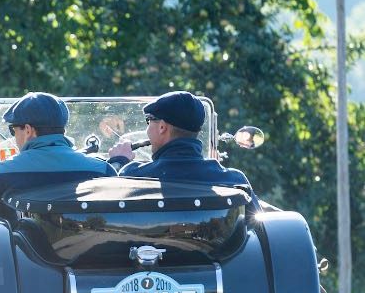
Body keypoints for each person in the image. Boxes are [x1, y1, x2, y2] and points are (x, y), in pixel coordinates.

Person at [107, 90, 261, 210]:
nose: (147, 129)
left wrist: (118, 162)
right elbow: (258, 227)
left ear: (162, 127)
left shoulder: (132, 176)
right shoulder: (234, 181)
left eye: (149, 120)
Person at [0, 92, 116, 218]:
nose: (13, 137)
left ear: (28, 130)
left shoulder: (0, 174)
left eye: (13, 130)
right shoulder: (103, 170)